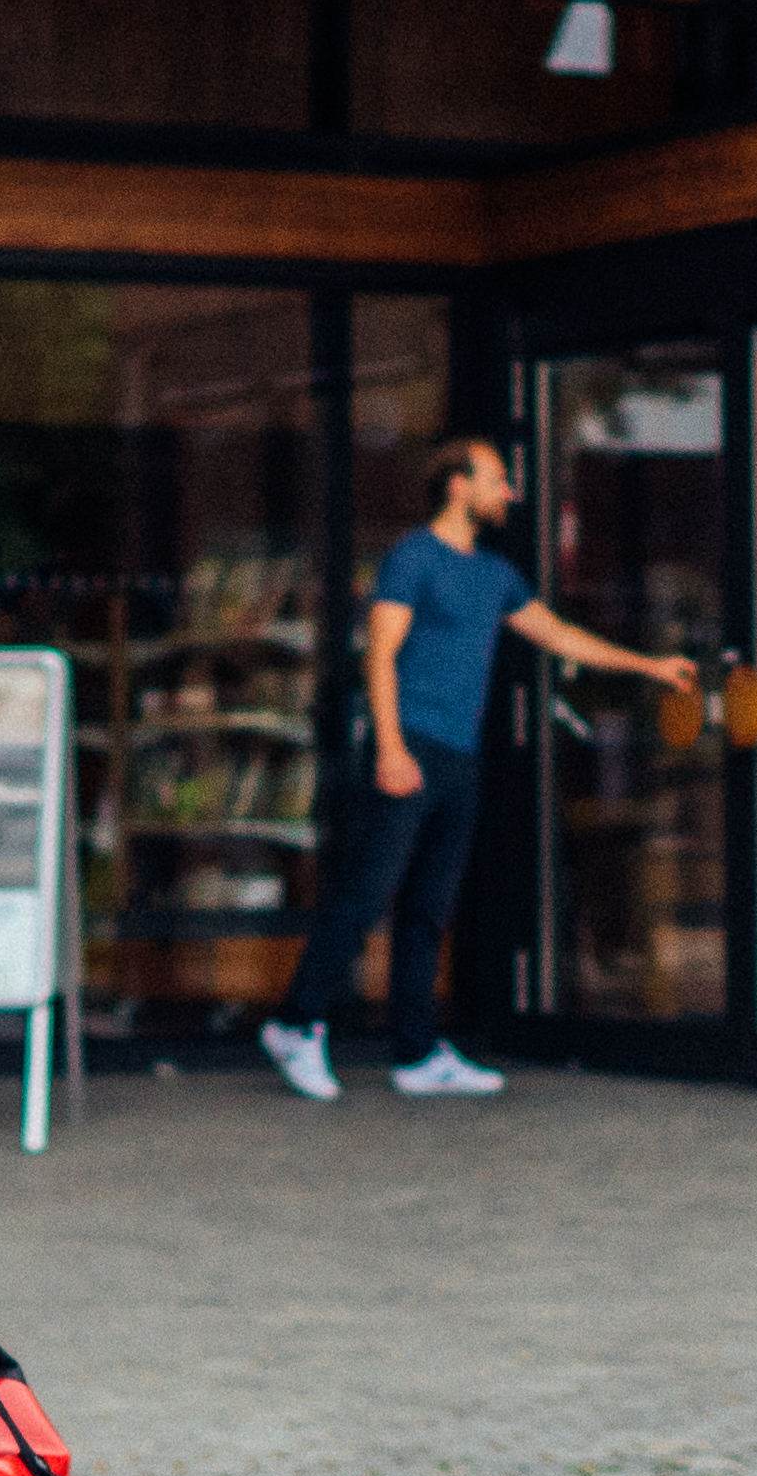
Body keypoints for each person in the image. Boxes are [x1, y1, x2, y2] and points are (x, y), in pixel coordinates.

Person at [254, 435, 695, 1100]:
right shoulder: (412, 559)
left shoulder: (495, 574)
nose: (509, 493)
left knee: (431, 905)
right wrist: (392, 747)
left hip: (460, 755)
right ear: (457, 485)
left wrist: (649, 665)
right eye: (496, 480)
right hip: (410, 746)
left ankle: (416, 1054)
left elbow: (560, 635)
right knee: (368, 893)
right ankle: (296, 1023)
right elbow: (378, 657)